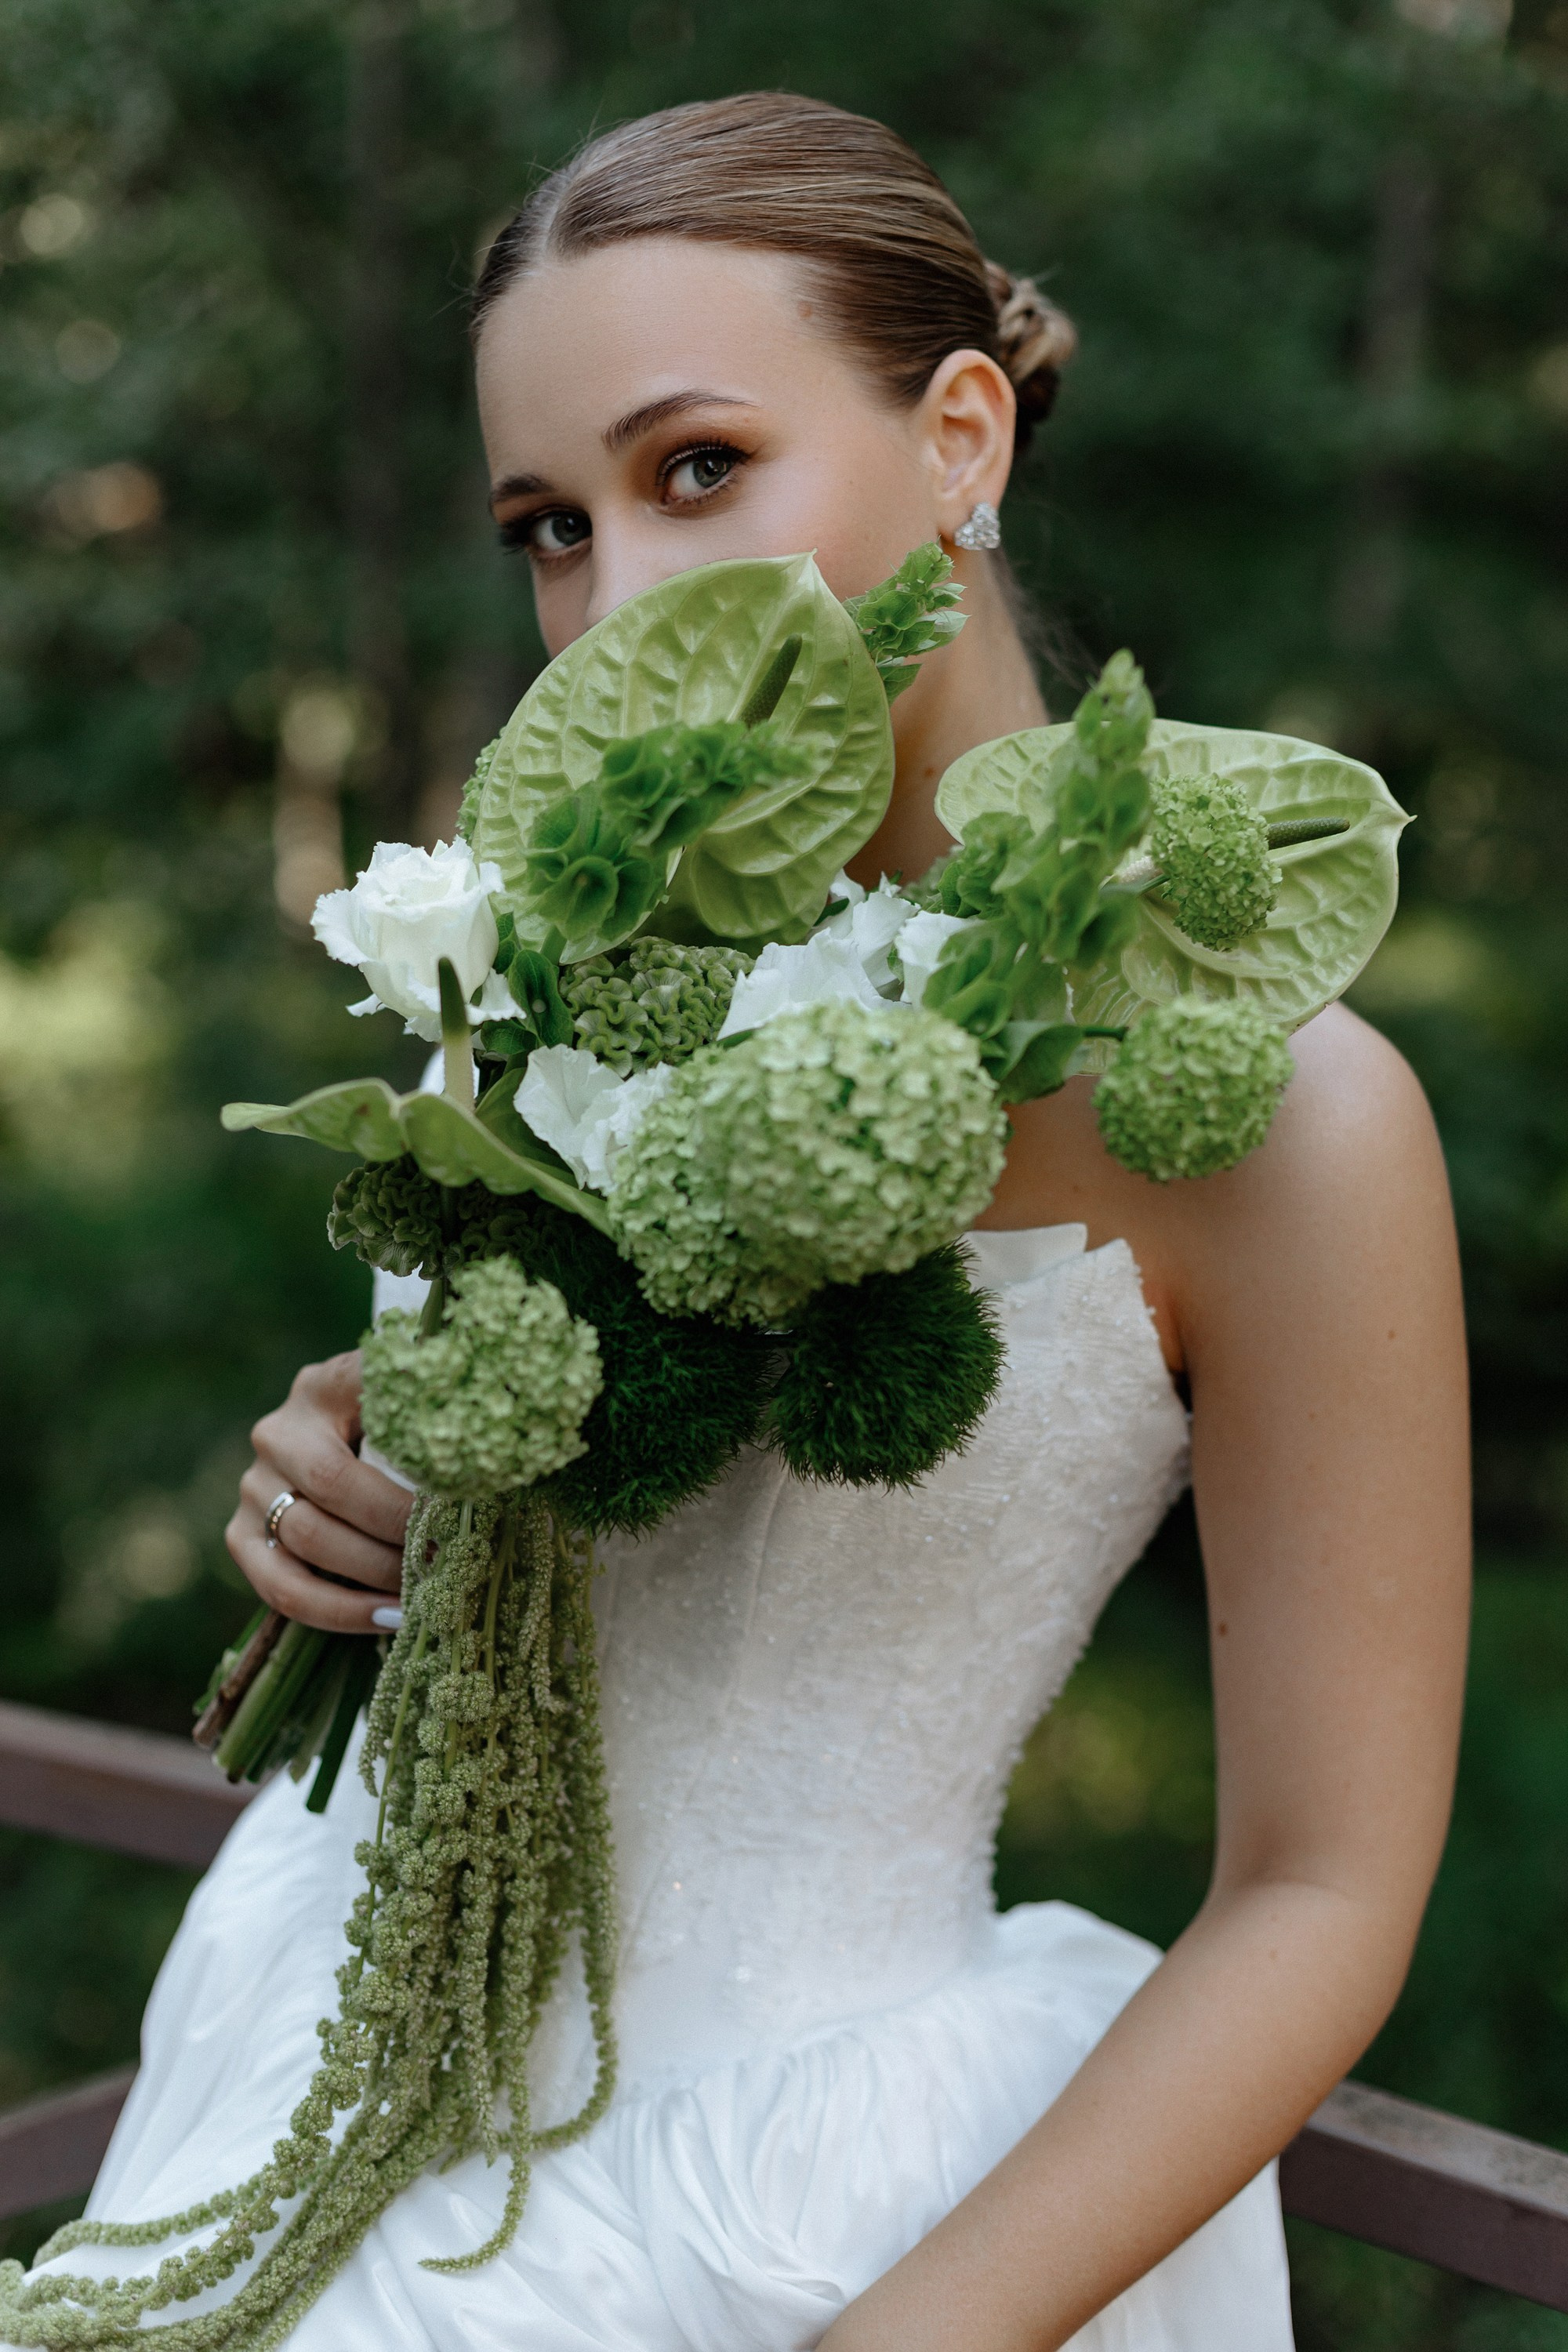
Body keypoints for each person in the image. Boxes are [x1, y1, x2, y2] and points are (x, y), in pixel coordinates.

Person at [105, 93, 1472, 2350]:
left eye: (700, 469)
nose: (616, 606)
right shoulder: (538, 973)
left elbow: (1323, 1891)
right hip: (323, 2046)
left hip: (820, 2211)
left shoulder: (1289, 1125)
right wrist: (354, 1485)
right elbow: (537, 1540)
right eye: (550, 528)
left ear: (960, 439)